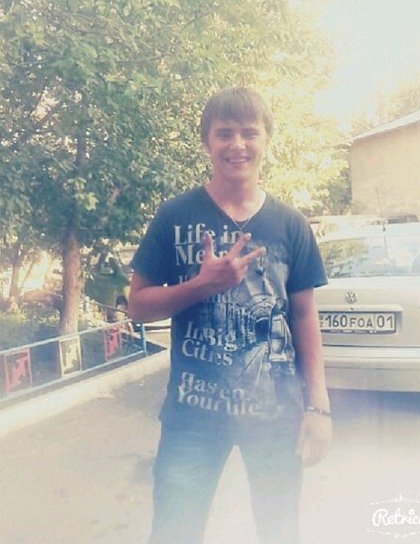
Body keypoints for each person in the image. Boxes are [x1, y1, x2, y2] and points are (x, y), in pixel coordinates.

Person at [128, 86, 332, 544]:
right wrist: (202, 285)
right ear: (207, 142)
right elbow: (138, 306)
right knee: (174, 533)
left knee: (280, 532)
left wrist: (318, 406)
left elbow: (304, 318)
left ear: (266, 140)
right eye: (224, 133)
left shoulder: (291, 225)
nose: (237, 145)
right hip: (192, 417)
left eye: (248, 133)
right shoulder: (174, 216)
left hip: (276, 415)